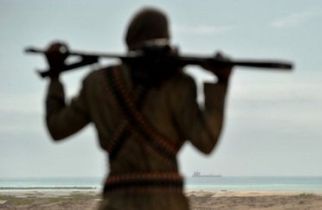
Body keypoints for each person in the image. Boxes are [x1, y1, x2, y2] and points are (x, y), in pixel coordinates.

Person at [44, 7, 232, 210]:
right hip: (168, 202)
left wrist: (55, 75)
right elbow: (206, 141)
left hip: (117, 201)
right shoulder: (179, 83)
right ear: (166, 38)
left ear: (128, 39)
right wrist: (221, 82)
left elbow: (57, 128)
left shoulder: (97, 83)